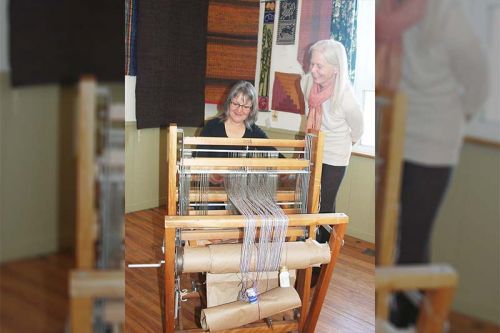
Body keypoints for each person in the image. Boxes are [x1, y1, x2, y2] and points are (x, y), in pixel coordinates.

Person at [379, 0, 489, 328]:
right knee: (389, 233)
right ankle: (396, 312)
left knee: (412, 237)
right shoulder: (381, 13)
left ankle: (409, 320)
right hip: (393, 132)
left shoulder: (446, 14)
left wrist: (457, 118)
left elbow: (479, 80)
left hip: (433, 142)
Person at [300, 39, 364, 243]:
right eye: (312, 64)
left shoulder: (346, 98)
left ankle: (319, 257)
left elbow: (358, 129)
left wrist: (344, 145)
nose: (313, 70)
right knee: (308, 200)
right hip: (313, 148)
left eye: (319, 65)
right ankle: (309, 244)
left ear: (336, 69)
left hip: (335, 157)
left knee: (325, 206)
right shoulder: (307, 82)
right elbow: (309, 111)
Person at [196, 81, 279, 183]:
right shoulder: (211, 126)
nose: (239, 110)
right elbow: (199, 159)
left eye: (245, 106)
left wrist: (294, 164)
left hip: (240, 194)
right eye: (235, 103)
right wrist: (210, 174)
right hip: (211, 193)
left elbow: (275, 155)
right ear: (228, 102)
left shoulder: (253, 131)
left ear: (251, 109)